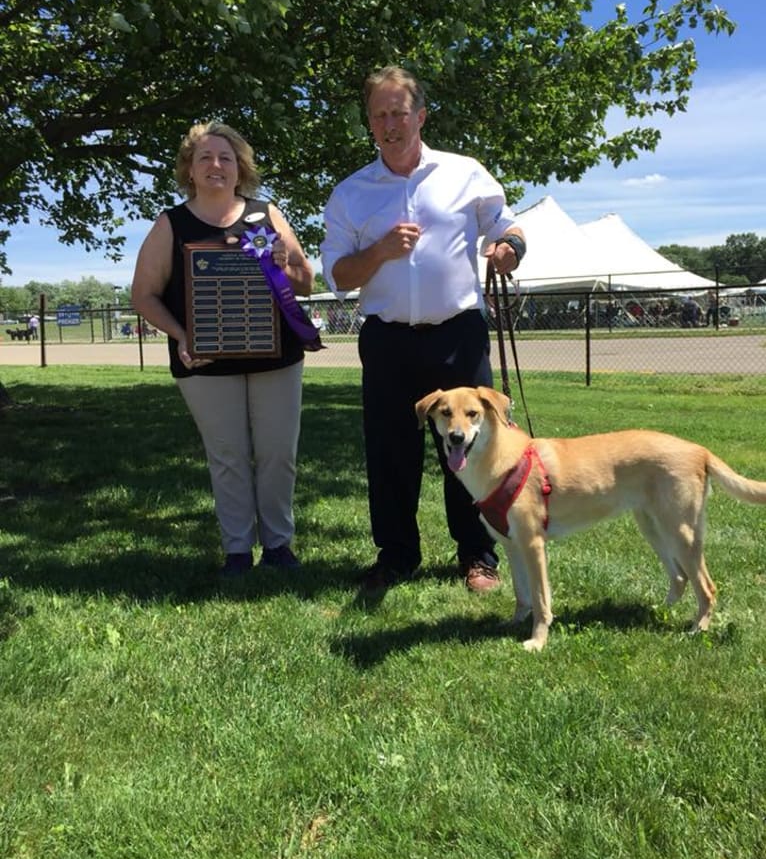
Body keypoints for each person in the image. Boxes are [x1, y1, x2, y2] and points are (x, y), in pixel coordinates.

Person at [320, 65, 527, 592]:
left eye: (400, 112)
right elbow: (339, 275)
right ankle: (396, 556)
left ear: (421, 115)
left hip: (456, 333)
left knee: (472, 448)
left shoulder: (464, 173)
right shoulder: (350, 194)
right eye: (379, 115)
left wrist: (509, 250)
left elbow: (508, 226)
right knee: (390, 452)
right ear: (369, 123)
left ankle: (478, 555)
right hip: (388, 339)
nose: (391, 124)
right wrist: (381, 251)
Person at [131, 121, 314, 576]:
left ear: (240, 169)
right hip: (205, 361)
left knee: (278, 452)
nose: (216, 165)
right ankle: (237, 549)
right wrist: (182, 334)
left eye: (226, 158)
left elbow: (307, 282)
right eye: (205, 158)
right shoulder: (171, 224)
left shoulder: (265, 214)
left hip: (276, 356)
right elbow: (143, 295)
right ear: (189, 170)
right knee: (227, 455)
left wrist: (284, 263)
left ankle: (278, 544)